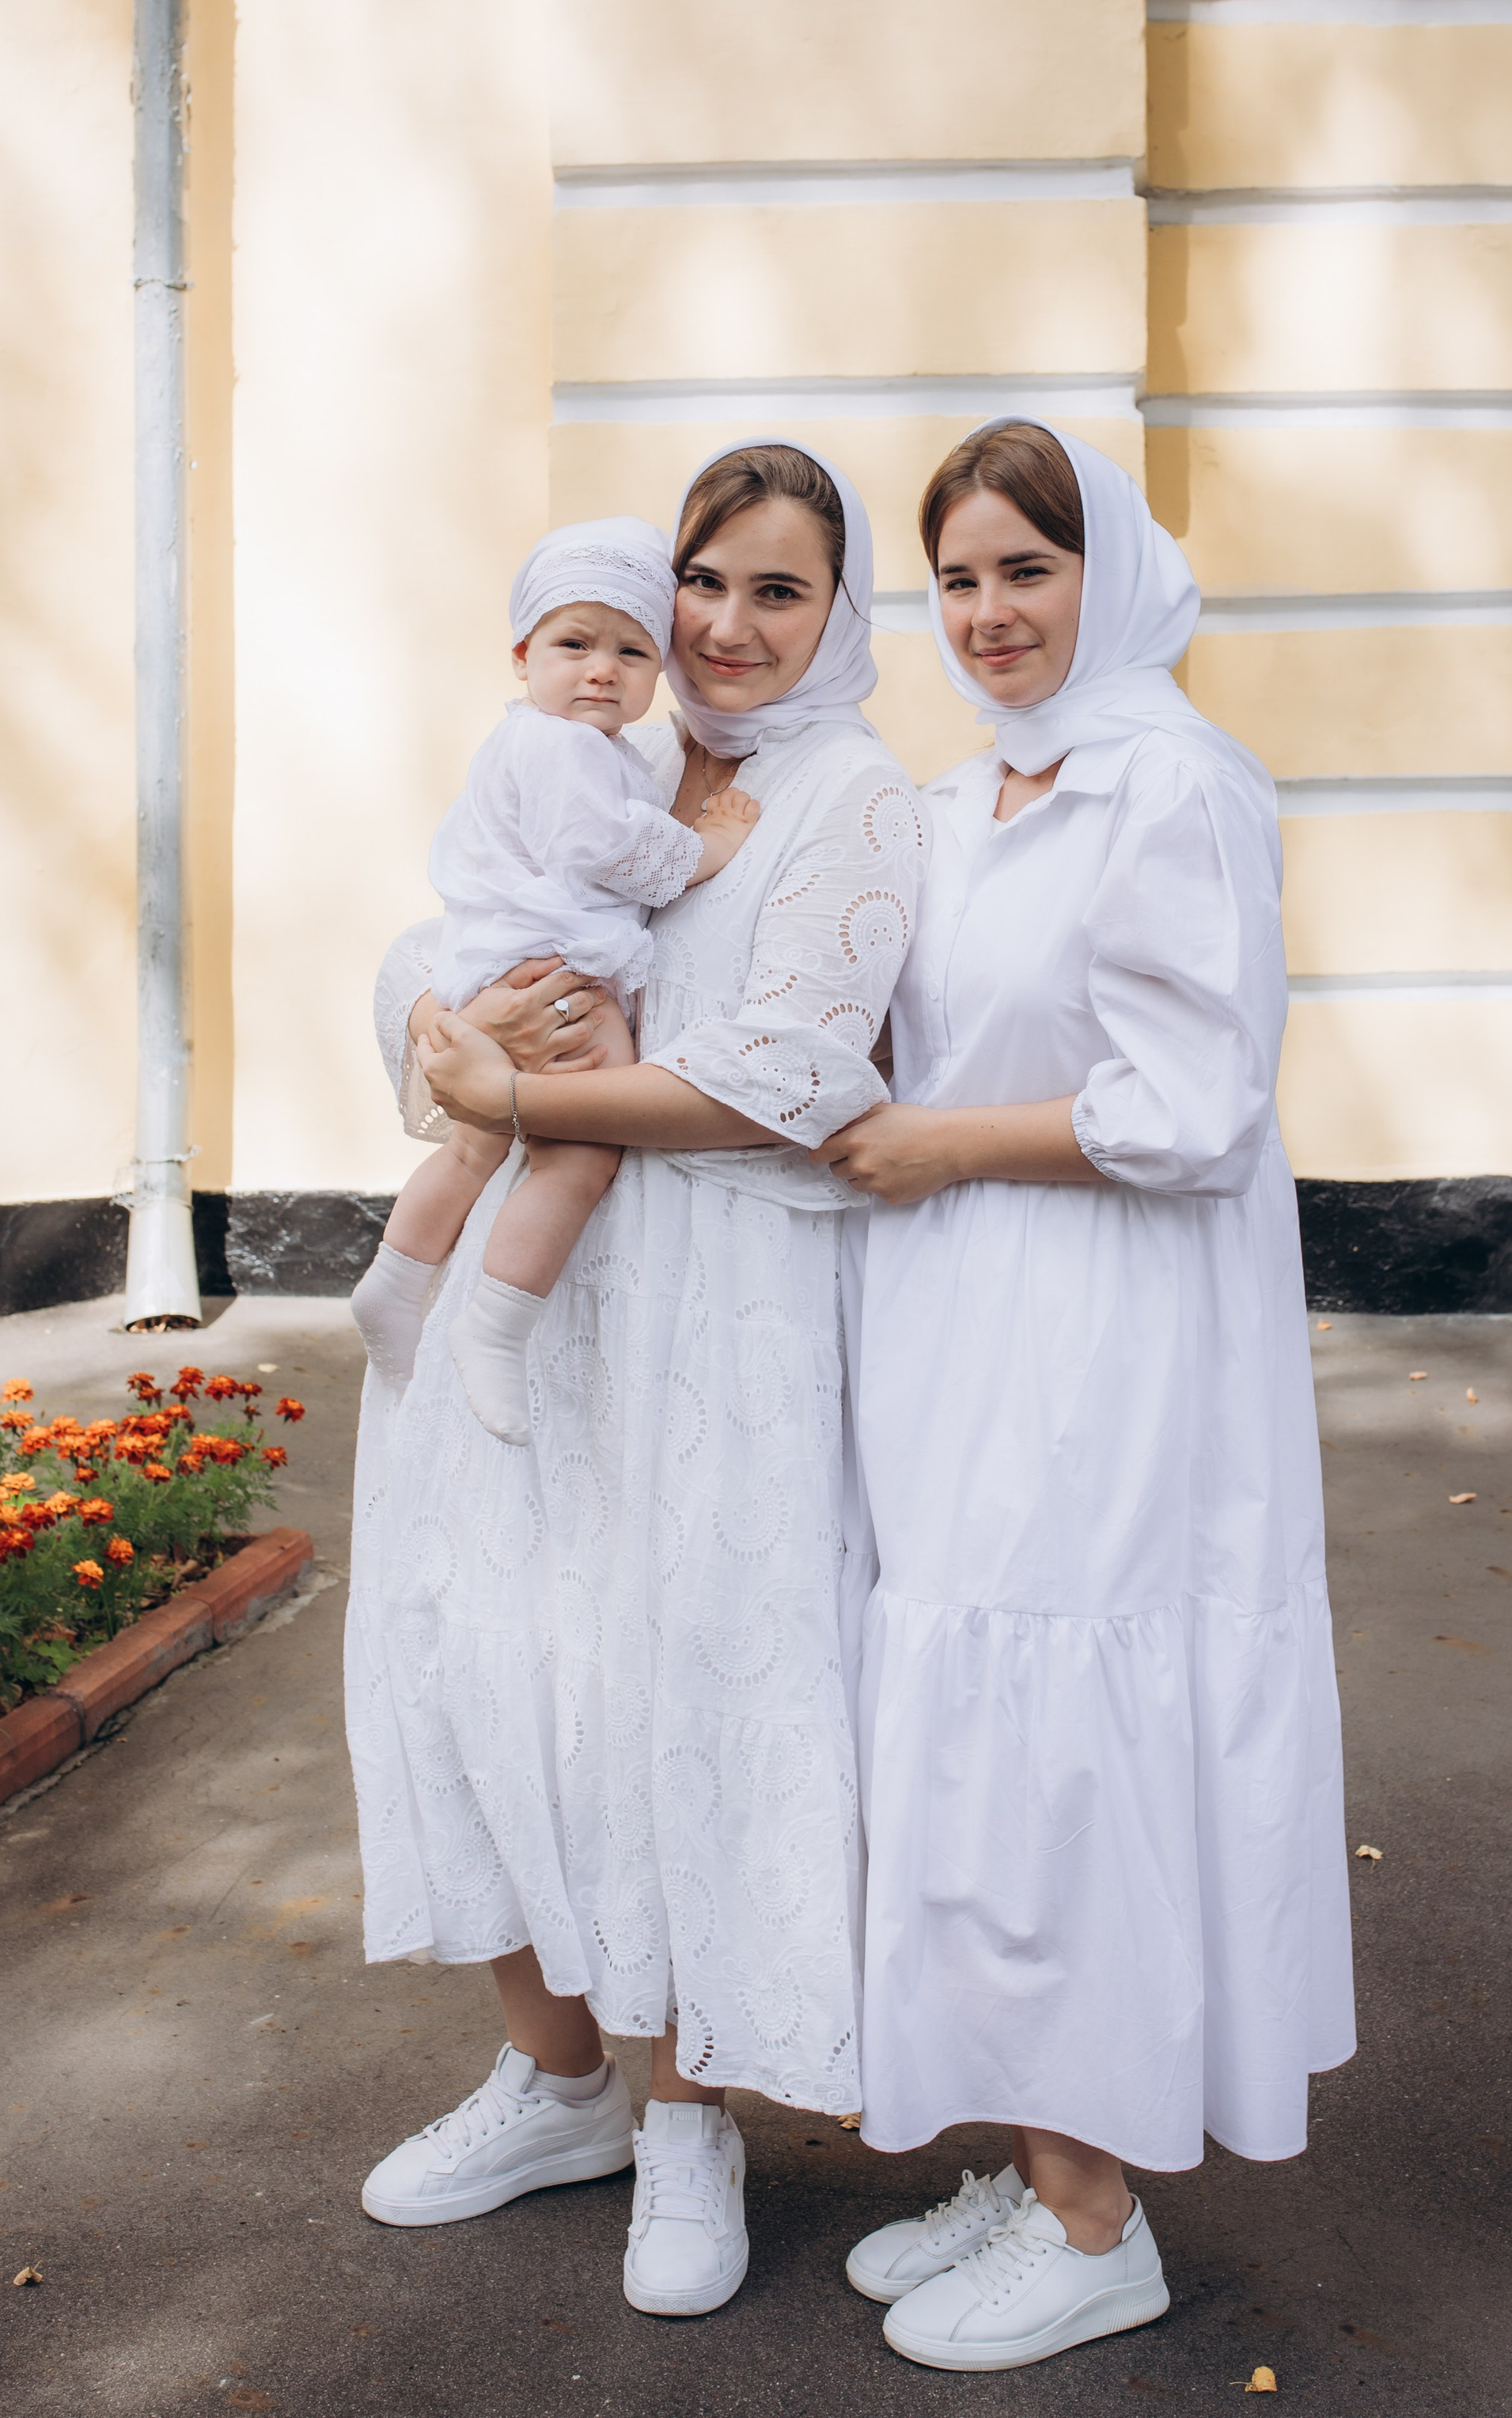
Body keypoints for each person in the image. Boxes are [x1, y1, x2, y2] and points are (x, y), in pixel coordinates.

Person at [343, 444, 927, 2320]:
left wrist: (521, 1094)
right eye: (705, 582)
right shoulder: (582, 736)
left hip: (718, 1314)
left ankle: (690, 2114)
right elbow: (435, 958)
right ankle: (558, 2078)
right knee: (487, 1663)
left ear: (837, 614)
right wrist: (454, 1024)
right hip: (535, 1300)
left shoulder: (850, 794)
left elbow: (787, 1069)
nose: (727, 627)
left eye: (779, 590)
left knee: (676, 1696)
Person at [820, 418, 1355, 2374]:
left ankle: (1094, 2211)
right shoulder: (967, 796)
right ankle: (1032, 2142)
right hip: (965, 1326)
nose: (984, 613)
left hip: (1105, 1342)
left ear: (1100, 571)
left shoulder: (1170, 783)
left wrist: (944, 1143)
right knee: (964, 1723)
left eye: (1020, 569)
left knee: (1054, 1743)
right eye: (954, 578)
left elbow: (1191, 1107)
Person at [347, 516, 758, 1438]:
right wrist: (711, 844)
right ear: (523, 653)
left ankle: (396, 1282)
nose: (602, 669)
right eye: (574, 644)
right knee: (582, 1150)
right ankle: (495, 1325)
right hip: (552, 966)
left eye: (632, 650)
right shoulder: (568, 748)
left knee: (472, 1144)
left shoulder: (558, 743)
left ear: (662, 671)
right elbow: (605, 847)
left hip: (491, 960)